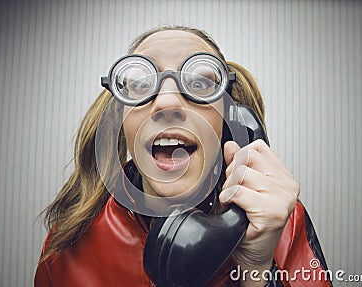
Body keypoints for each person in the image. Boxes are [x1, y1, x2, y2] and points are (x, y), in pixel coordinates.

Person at [34, 26, 332, 286]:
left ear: (230, 120)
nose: (166, 102)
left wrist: (256, 271)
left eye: (200, 83)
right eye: (140, 84)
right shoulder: (70, 237)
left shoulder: (281, 221)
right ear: (121, 119)